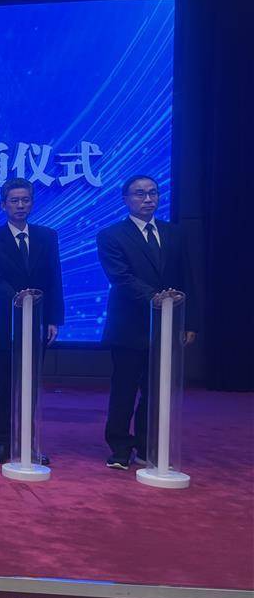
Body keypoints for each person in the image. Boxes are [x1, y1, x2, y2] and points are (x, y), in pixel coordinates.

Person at [97, 174, 199, 470]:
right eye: (140, 194)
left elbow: (187, 277)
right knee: (125, 389)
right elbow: (120, 276)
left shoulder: (174, 233)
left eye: (152, 193)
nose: (147, 199)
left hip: (167, 325)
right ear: (126, 199)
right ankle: (119, 447)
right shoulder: (111, 235)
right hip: (129, 325)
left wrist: (189, 321)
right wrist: (156, 297)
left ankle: (146, 445)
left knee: (155, 390)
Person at [0, 178, 64, 464]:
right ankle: (3, 442)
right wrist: (20, 298)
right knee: (3, 387)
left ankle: (29, 442)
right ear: (3, 205)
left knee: (30, 386)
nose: (20, 205)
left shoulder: (47, 236)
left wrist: (53, 318)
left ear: (32, 203)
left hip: (38, 324)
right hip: (3, 323)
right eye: (14, 201)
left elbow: (54, 279)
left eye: (25, 200)